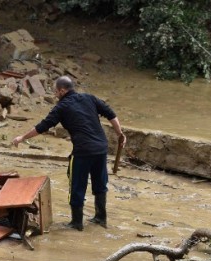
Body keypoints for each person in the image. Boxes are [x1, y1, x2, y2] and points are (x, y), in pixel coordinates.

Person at [12, 76, 126, 231]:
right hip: (101, 148)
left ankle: (77, 223)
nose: (55, 95)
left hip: (82, 151)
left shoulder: (62, 107)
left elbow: (43, 126)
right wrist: (120, 134)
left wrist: (22, 137)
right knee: (100, 183)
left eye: (56, 92)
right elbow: (111, 114)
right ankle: (101, 218)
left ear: (63, 90)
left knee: (76, 185)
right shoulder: (89, 98)